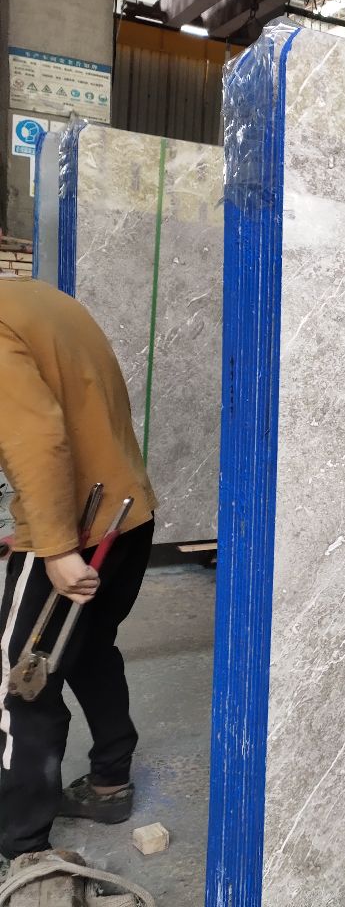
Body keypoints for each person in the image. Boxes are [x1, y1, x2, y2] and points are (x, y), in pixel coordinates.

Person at [0, 274, 156, 870]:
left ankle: (22, 849)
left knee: (23, 685)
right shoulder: (41, 301)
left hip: (78, 535)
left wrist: (55, 546)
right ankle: (110, 779)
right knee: (90, 650)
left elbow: (38, 438)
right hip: (126, 517)